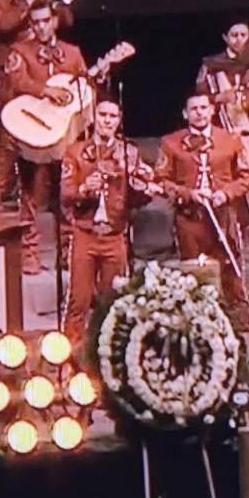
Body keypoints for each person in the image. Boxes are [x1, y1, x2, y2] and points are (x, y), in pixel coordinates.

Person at [0, 1, 93, 274]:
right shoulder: (20, 51)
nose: (40, 26)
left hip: (64, 134)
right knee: (31, 195)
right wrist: (45, 91)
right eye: (35, 22)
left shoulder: (72, 53)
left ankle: (68, 251)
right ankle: (30, 252)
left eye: (45, 21)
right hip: (33, 133)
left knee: (66, 193)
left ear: (54, 22)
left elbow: (84, 87)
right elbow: (17, 82)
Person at [0, 0, 74, 204]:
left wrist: (57, 4)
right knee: (10, 134)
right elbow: (5, 25)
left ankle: (53, 191)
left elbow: (66, 22)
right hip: (10, 73)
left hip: (44, 68)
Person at [153, 93, 249, 332]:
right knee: (193, 276)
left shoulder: (230, 140)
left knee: (231, 274)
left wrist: (225, 193)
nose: (199, 112)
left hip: (222, 218)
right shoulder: (170, 142)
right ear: (186, 114)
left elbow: (245, 177)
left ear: (212, 111)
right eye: (193, 108)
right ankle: (198, 331)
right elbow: (161, 179)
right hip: (190, 220)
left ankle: (242, 333)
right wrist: (187, 193)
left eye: (203, 108)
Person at [60, 100, 158, 343]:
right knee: (78, 301)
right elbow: (65, 194)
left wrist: (145, 190)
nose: (107, 120)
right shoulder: (75, 152)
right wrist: (83, 188)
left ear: (119, 120)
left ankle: (104, 353)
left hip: (115, 236)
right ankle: (67, 356)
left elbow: (137, 199)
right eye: (103, 114)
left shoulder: (130, 153)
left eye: (113, 116)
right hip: (86, 234)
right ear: (94, 117)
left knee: (112, 300)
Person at [195, 18, 249, 180]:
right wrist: (218, 97)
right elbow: (199, 97)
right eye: (234, 35)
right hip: (224, 127)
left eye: (243, 35)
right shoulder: (212, 64)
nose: (238, 39)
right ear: (225, 37)